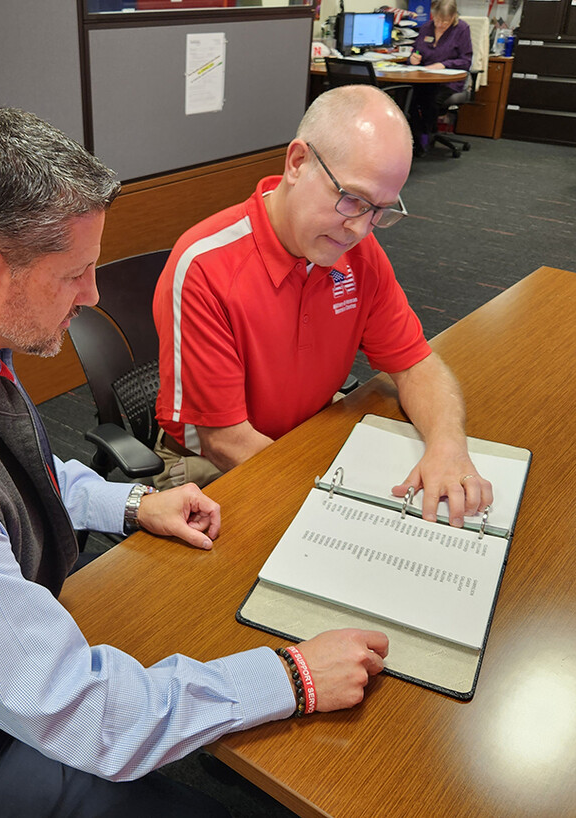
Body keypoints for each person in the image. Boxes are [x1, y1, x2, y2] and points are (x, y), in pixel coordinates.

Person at [0, 104, 391, 818]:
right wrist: (293, 676)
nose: (92, 296)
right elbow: (83, 717)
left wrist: (125, 502)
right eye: (77, 275)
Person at [152, 85, 492, 526]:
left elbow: (416, 365)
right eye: (351, 198)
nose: (359, 228)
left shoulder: (358, 255)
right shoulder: (205, 267)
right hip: (208, 468)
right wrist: (338, 504)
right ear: (297, 163)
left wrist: (448, 448)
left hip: (305, 437)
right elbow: (225, 442)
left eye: (380, 211)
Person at [408, 0, 473, 155]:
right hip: (424, 78)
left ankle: (423, 138)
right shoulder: (426, 28)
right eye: (437, 19)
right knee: (407, 98)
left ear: (454, 17)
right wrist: (413, 58)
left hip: (449, 81)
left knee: (430, 101)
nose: (440, 24)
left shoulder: (462, 29)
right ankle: (420, 137)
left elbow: (466, 61)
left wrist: (444, 65)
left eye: (446, 21)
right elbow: (416, 51)